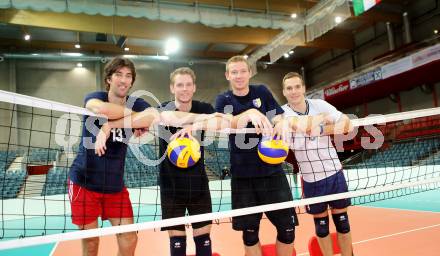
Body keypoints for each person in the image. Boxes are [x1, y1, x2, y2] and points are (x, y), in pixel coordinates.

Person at [68, 57, 154, 256]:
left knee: (129, 238)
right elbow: (100, 109)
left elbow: (153, 116)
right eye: (118, 75)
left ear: (132, 81)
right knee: (90, 243)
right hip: (84, 182)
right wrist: (134, 119)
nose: (123, 80)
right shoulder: (95, 96)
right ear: (109, 79)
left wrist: (108, 126)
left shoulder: (136, 102)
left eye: (128, 76)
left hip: (114, 185)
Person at [215, 55, 298, 256]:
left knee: (287, 230)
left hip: (272, 173)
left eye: (243, 71)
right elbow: (224, 122)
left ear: (250, 73)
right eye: (234, 72)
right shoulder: (223, 100)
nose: (239, 76)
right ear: (227, 75)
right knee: (250, 234)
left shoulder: (261, 91)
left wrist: (282, 122)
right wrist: (249, 113)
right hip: (244, 177)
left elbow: (277, 115)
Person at [281, 72, 354, 256]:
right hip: (311, 178)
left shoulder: (319, 105)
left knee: (343, 223)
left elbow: (347, 124)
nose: (294, 91)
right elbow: (303, 126)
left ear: (304, 88)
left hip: (334, 171)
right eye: (289, 88)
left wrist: (321, 128)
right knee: (321, 227)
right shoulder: (282, 113)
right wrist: (322, 119)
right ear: (284, 92)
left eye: (297, 87)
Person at [158, 67, 228, 256]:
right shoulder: (163, 109)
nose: (184, 89)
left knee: (204, 241)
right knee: (177, 244)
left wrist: (195, 124)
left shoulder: (204, 108)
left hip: (198, 185)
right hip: (170, 186)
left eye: (188, 84)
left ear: (194, 87)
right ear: (172, 88)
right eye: (179, 85)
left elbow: (222, 121)